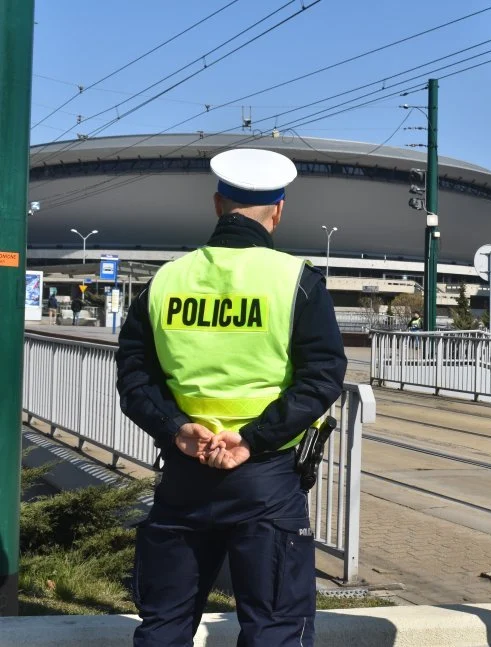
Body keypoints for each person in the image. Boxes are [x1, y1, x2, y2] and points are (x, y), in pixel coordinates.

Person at [116, 148, 347, 647]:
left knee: (164, 626)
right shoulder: (296, 282)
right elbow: (321, 378)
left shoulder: (165, 281)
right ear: (278, 211)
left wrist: (177, 429)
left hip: (183, 474)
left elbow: (135, 380)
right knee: (275, 628)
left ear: (217, 205)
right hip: (265, 481)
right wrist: (251, 439)